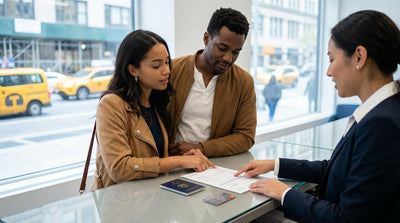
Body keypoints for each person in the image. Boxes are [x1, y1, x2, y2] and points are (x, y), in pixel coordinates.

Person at [235, 10, 400, 222]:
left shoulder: (382, 124)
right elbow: (335, 169)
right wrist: (275, 164)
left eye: (332, 59)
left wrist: (284, 194)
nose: (328, 72)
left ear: (359, 56)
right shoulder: (381, 113)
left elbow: (347, 218)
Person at [92, 30, 214, 190]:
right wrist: (179, 161)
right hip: (121, 204)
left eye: (167, 62)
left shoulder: (156, 102)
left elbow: (152, 157)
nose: (167, 70)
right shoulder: (111, 105)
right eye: (156, 65)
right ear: (132, 70)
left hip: (150, 198)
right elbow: (119, 169)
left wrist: (183, 156)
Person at [168, 7, 257, 157]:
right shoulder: (172, 71)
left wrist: (202, 148)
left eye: (236, 52)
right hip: (171, 162)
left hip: (214, 166)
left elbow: (246, 137)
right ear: (206, 38)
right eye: (222, 48)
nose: (228, 58)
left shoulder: (243, 82)